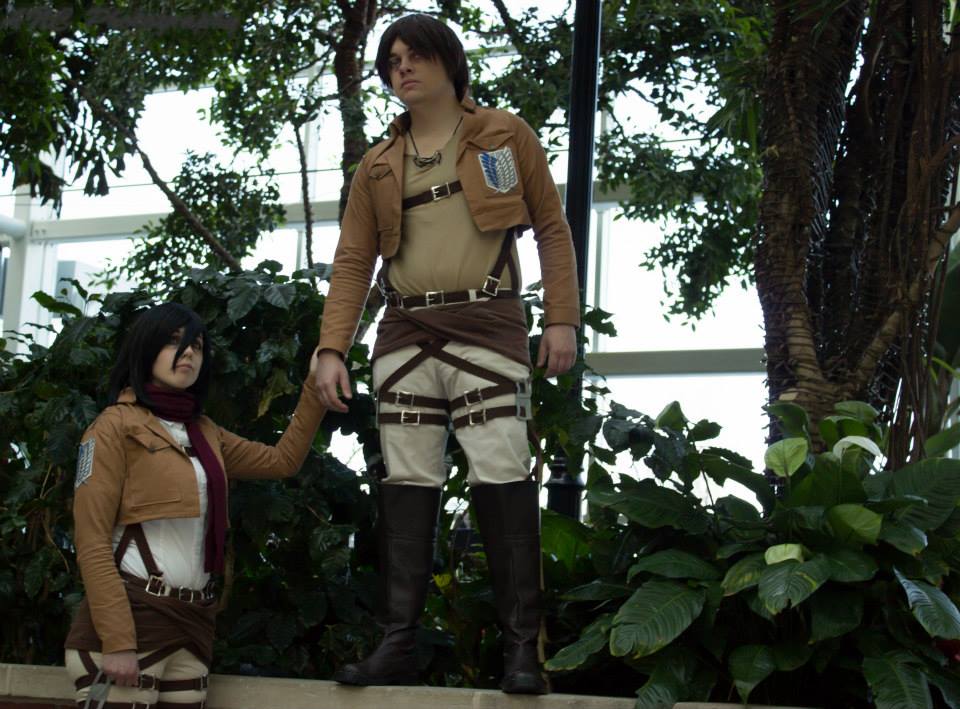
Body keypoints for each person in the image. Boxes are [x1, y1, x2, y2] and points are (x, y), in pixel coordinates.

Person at [314, 13, 579, 695]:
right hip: (404, 335)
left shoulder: (503, 135)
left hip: (487, 327)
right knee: (406, 484)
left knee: (503, 475)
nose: (401, 67)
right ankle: (397, 643)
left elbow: (551, 226)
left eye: (414, 54)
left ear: (449, 61)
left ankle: (522, 651)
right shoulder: (378, 164)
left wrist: (561, 319)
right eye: (391, 60)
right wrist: (332, 347)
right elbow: (353, 261)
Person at [64, 303, 325, 707]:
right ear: (145, 350)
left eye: (197, 346)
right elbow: (92, 540)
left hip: (191, 623)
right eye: (174, 342)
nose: (188, 352)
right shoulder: (112, 427)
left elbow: (282, 461)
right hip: (131, 623)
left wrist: (316, 385)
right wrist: (117, 641)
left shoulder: (204, 432)